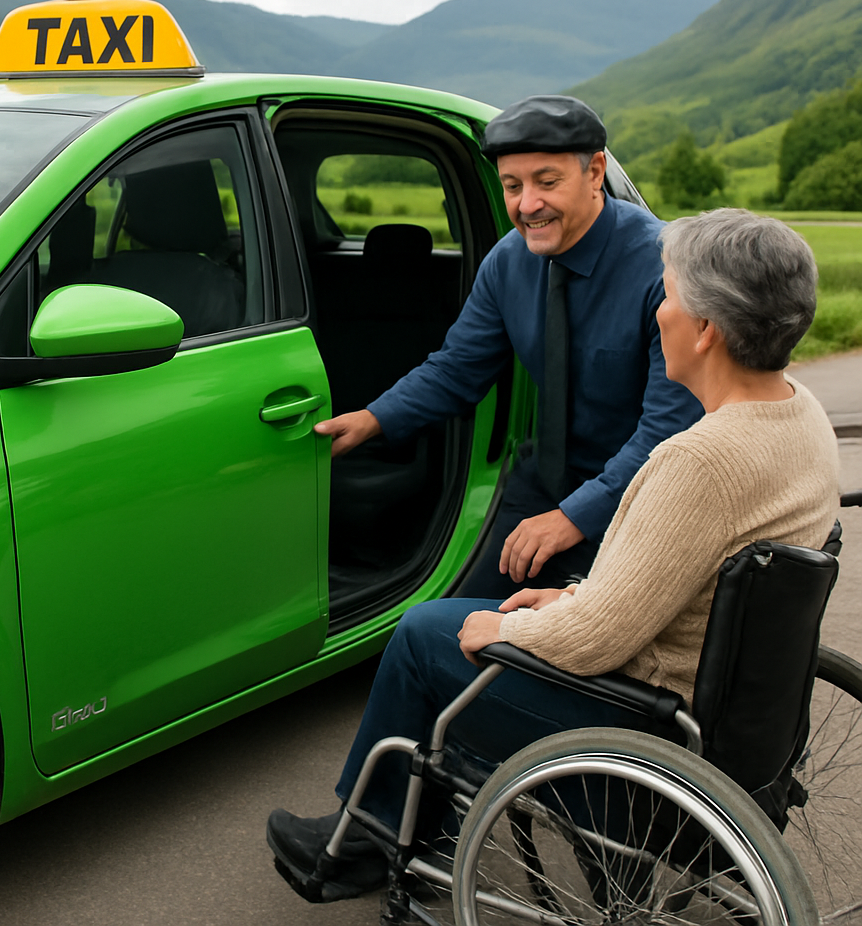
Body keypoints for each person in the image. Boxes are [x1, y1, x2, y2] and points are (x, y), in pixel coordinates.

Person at [267, 208, 841, 903]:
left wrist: (508, 630)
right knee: (494, 611)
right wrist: (570, 598)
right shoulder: (800, 413)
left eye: (669, 294)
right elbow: (677, 582)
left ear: (706, 329)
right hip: (737, 719)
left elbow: (601, 638)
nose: (658, 310)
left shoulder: (700, 460)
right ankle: (401, 831)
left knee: (425, 634)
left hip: (650, 724)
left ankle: (368, 842)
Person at [315, 95, 702, 598]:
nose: (527, 205)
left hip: (643, 496)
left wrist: (573, 518)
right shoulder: (507, 261)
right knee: (453, 627)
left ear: (594, 172)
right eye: (512, 186)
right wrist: (372, 419)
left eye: (547, 182)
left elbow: (668, 430)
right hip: (544, 483)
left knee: (577, 658)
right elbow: (458, 368)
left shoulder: (667, 270)